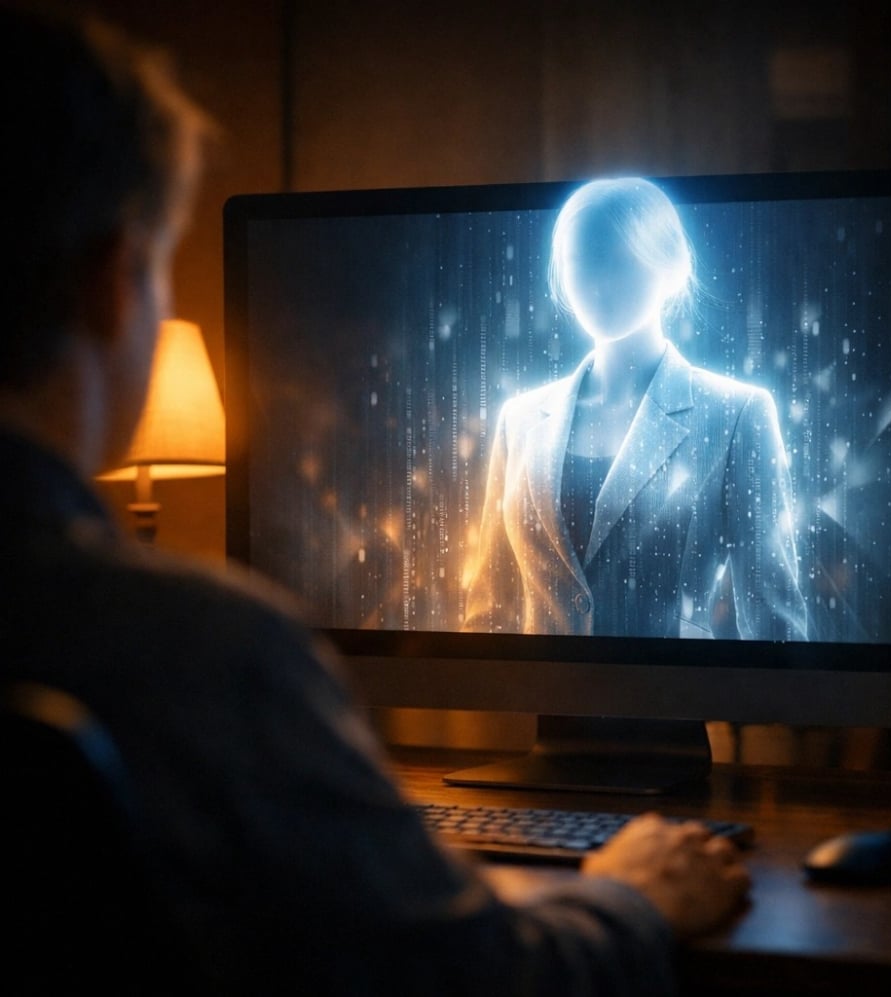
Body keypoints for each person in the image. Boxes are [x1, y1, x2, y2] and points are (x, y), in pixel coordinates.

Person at [0, 7, 749, 995]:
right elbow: (476, 978)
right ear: (109, 282)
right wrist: (633, 894)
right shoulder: (212, 654)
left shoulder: (734, 415)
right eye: (156, 274)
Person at [464, 177, 808, 641]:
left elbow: (774, 621)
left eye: (619, 260)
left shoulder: (737, 413)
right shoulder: (520, 420)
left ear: (668, 267)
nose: (597, 283)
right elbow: (489, 609)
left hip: (668, 703)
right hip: (540, 707)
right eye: (580, 263)